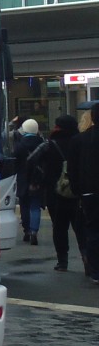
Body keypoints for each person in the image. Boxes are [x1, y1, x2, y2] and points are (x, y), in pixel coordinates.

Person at [28, 114, 82, 270]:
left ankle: (62, 261)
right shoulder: (79, 142)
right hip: (78, 192)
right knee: (80, 228)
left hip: (55, 193)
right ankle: (87, 258)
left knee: (59, 227)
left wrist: (40, 177)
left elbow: (31, 160)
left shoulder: (49, 145)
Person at [68, 103, 99, 282]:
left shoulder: (79, 140)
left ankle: (95, 270)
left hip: (88, 193)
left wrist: (78, 190)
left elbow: (72, 169)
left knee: (93, 231)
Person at [13, 117, 45, 245]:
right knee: (35, 206)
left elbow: (15, 163)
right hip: (37, 179)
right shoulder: (42, 144)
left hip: (22, 179)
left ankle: (26, 230)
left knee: (24, 206)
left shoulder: (19, 146)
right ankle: (34, 231)